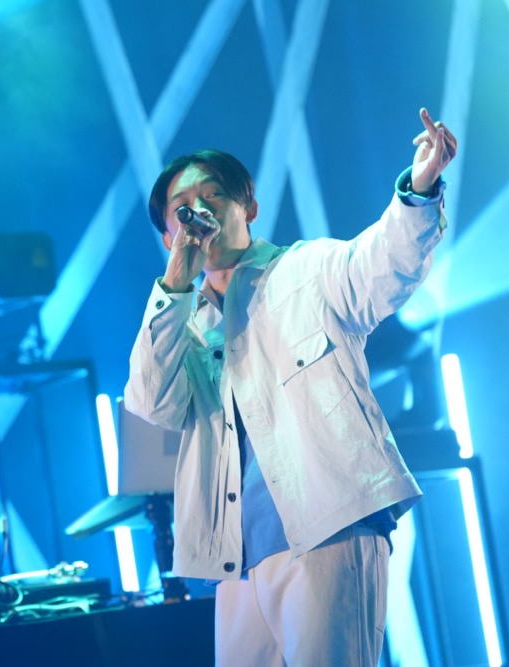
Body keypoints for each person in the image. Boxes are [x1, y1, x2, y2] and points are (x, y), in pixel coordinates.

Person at [124, 108, 457, 666]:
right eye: (183, 208)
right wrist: (176, 282)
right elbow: (151, 401)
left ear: (248, 208)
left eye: (213, 195)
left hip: (330, 531)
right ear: (168, 237)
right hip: (236, 562)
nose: (199, 211)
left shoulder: (307, 270)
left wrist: (419, 188)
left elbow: (382, 263)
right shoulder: (185, 330)